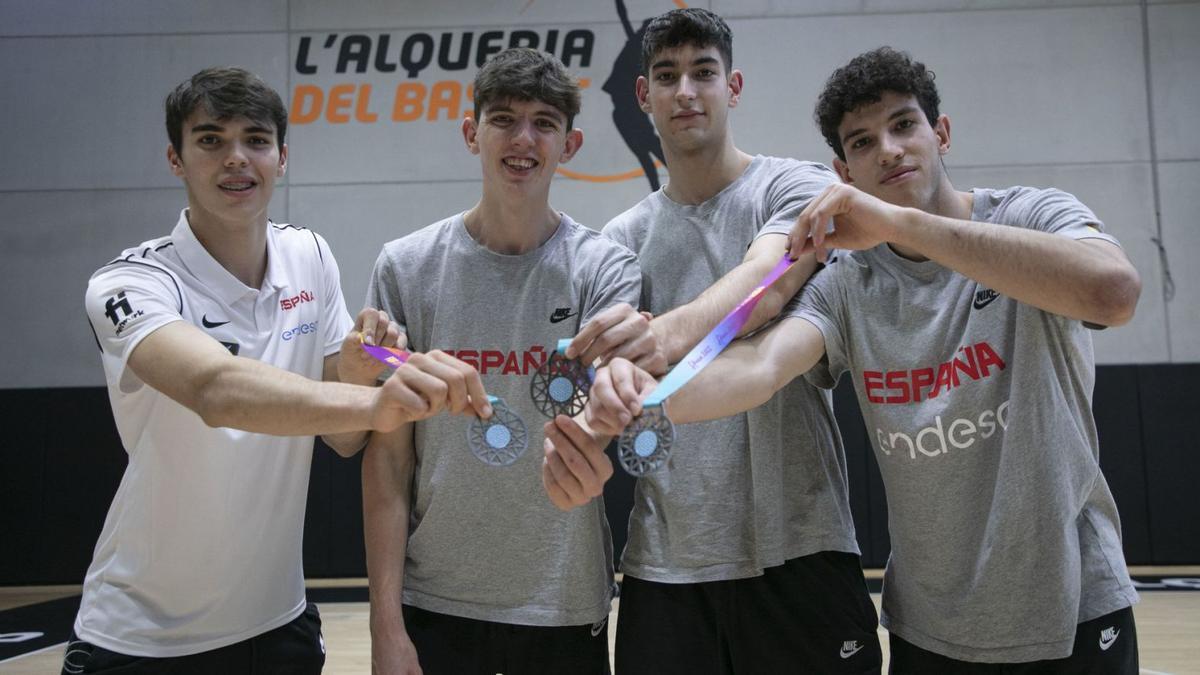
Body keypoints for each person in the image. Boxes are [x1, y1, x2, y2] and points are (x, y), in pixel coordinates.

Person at [588, 47, 1143, 672]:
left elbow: (1113, 293)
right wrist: (642, 396)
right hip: (930, 627)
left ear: (942, 133)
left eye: (904, 125)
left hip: (1076, 608)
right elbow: (757, 369)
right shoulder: (850, 280)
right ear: (843, 172)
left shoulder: (1032, 216)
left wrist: (901, 223)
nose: (888, 150)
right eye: (862, 142)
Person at [70, 67, 488, 675]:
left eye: (256, 140)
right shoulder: (128, 285)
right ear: (175, 158)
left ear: (282, 156)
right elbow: (216, 391)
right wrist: (379, 402)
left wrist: (354, 370)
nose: (236, 159)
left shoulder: (308, 254)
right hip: (143, 638)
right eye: (210, 139)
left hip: (279, 626)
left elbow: (341, 439)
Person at [543, 8, 881, 674]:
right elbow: (609, 385)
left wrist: (649, 337)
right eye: (666, 76)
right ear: (644, 97)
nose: (686, 91)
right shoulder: (619, 243)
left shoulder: (796, 186)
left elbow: (764, 288)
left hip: (801, 553)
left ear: (734, 86)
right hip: (666, 569)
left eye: (704, 72)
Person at [361, 48, 645, 675]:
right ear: (472, 134)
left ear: (568, 144)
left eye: (544, 122)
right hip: (434, 600)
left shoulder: (606, 270)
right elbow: (388, 457)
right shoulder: (405, 268)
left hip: (562, 604)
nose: (523, 139)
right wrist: (385, 625)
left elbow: (603, 411)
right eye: (503, 119)